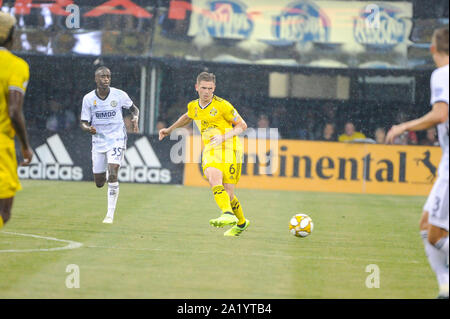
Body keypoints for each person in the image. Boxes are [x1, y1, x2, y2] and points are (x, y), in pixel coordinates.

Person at [386, 27, 449, 299]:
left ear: (433, 49)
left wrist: (403, 126)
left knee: (435, 235)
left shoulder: (443, 74)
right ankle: (445, 287)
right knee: (426, 226)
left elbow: (441, 113)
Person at [159, 71, 250, 237]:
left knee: (229, 196)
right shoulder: (193, 106)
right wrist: (169, 130)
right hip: (211, 149)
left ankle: (241, 223)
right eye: (203, 88)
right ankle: (228, 215)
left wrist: (223, 137)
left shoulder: (223, 105)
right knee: (212, 175)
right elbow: (187, 117)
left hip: (231, 149)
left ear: (214, 88)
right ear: (196, 87)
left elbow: (242, 125)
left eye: (210, 88)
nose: (207, 92)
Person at [80, 66, 139, 224]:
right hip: (98, 140)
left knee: (113, 173)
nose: (106, 79)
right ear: (96, 79)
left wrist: (135, 118)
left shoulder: (119, 95)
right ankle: (107, 178)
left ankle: (109, 215)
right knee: (99, 182)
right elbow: (83, 122)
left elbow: (134, 109)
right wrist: (88, 128)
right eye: (103, 76)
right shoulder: (88, 99)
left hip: (117, 138)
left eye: (108, 77)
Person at [0, 12, 33, 229]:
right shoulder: (15, 65)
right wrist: (25, 146)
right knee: (4, 210)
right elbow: (13, 111)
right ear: (11, 34)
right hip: (1, 146)